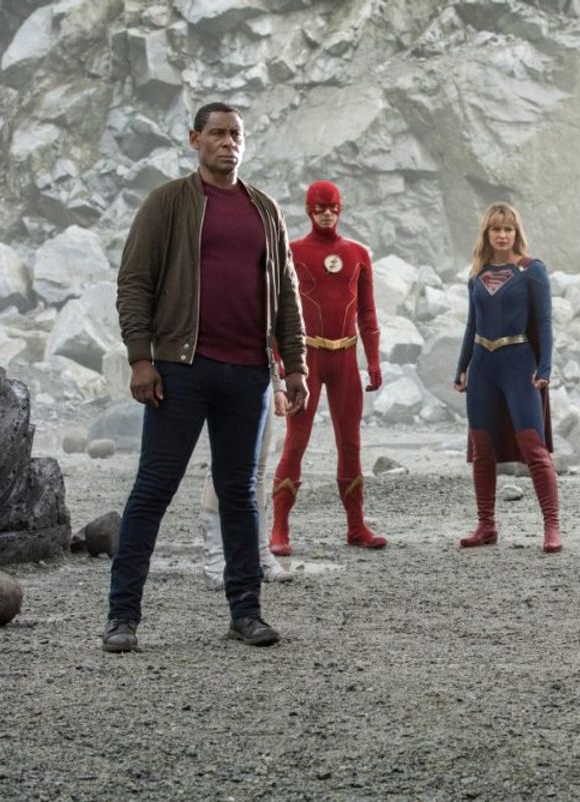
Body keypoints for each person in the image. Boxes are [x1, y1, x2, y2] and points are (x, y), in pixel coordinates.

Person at [104, 102, 308, 653]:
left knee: (239, 493)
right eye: (217, 133)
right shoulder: (167, 202)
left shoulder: (264, 209)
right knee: (154, 488)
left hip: (249, 373)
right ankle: (122, 617)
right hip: (180, 368)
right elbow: (134, 281)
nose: (227, 142)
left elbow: (287, 295)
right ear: (195, 139)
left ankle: (246, 613)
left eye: (236, 134)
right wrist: (140, 358)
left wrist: (294, 367)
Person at [268, 180, 388, 555]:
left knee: (350, 442)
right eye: (319, 207)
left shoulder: (358, 253)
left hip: (346, 357)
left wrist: (373, 359)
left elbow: (367, 313)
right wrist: (280, 362)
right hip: (307, 359)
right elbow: (277, 312)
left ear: (341, 209)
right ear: (309, 210)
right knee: (297, 441)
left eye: (332, 207)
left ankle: (356, 526)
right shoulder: (292, 251)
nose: (326, 213)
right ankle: (279, 528)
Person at [453, 202, 561, 554]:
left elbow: (544, 322)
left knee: (534, 446)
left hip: (519, 362)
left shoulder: (531, 270)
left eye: (508, 229)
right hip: (483, 366)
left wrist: (545, 367)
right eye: (496, 229)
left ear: (516, 233)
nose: (502, 235)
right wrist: (462, 366)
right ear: (486, 234)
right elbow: (472, 324)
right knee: (482, 448)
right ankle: (486, 525)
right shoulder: (477, 274)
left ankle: (552, 526)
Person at [199, 388, 292, 590]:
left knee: (258, 468)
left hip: (261, 377)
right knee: (223, 462)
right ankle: (215, 560)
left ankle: (260, 553)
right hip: (226, 376)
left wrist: (277, 386)